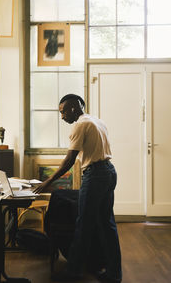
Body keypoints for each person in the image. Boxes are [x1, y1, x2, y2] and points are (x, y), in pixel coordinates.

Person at [34, 94, 122, 282]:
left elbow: (69, 161)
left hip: (96, 174)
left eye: (63, 111)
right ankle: (114, 274)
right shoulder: (97, 121)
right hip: (109, 172)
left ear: (73, 108)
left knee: (84, 224)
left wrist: (47, 182)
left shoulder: (80, 125)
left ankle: (73, 272)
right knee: (107, 225)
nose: (62, 116)